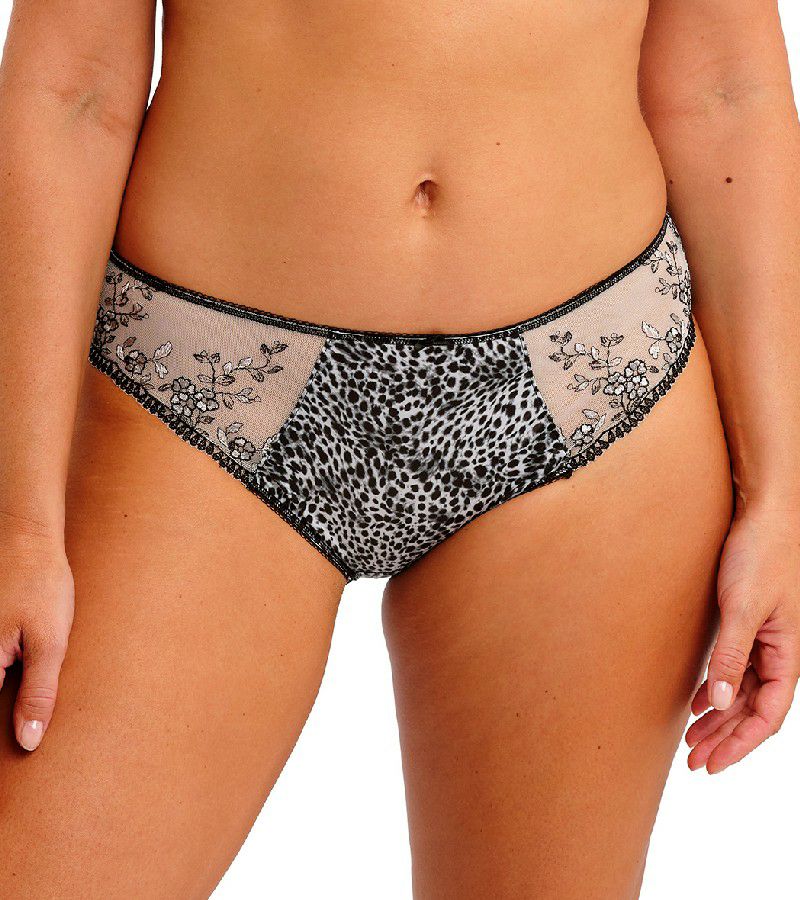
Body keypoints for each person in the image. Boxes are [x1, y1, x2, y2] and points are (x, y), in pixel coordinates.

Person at [0, 1, 798, 896]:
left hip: (589, 384)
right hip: (205, 389)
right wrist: (19, 520)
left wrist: (781, 498)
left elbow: (725, 90)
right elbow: (73, 91)